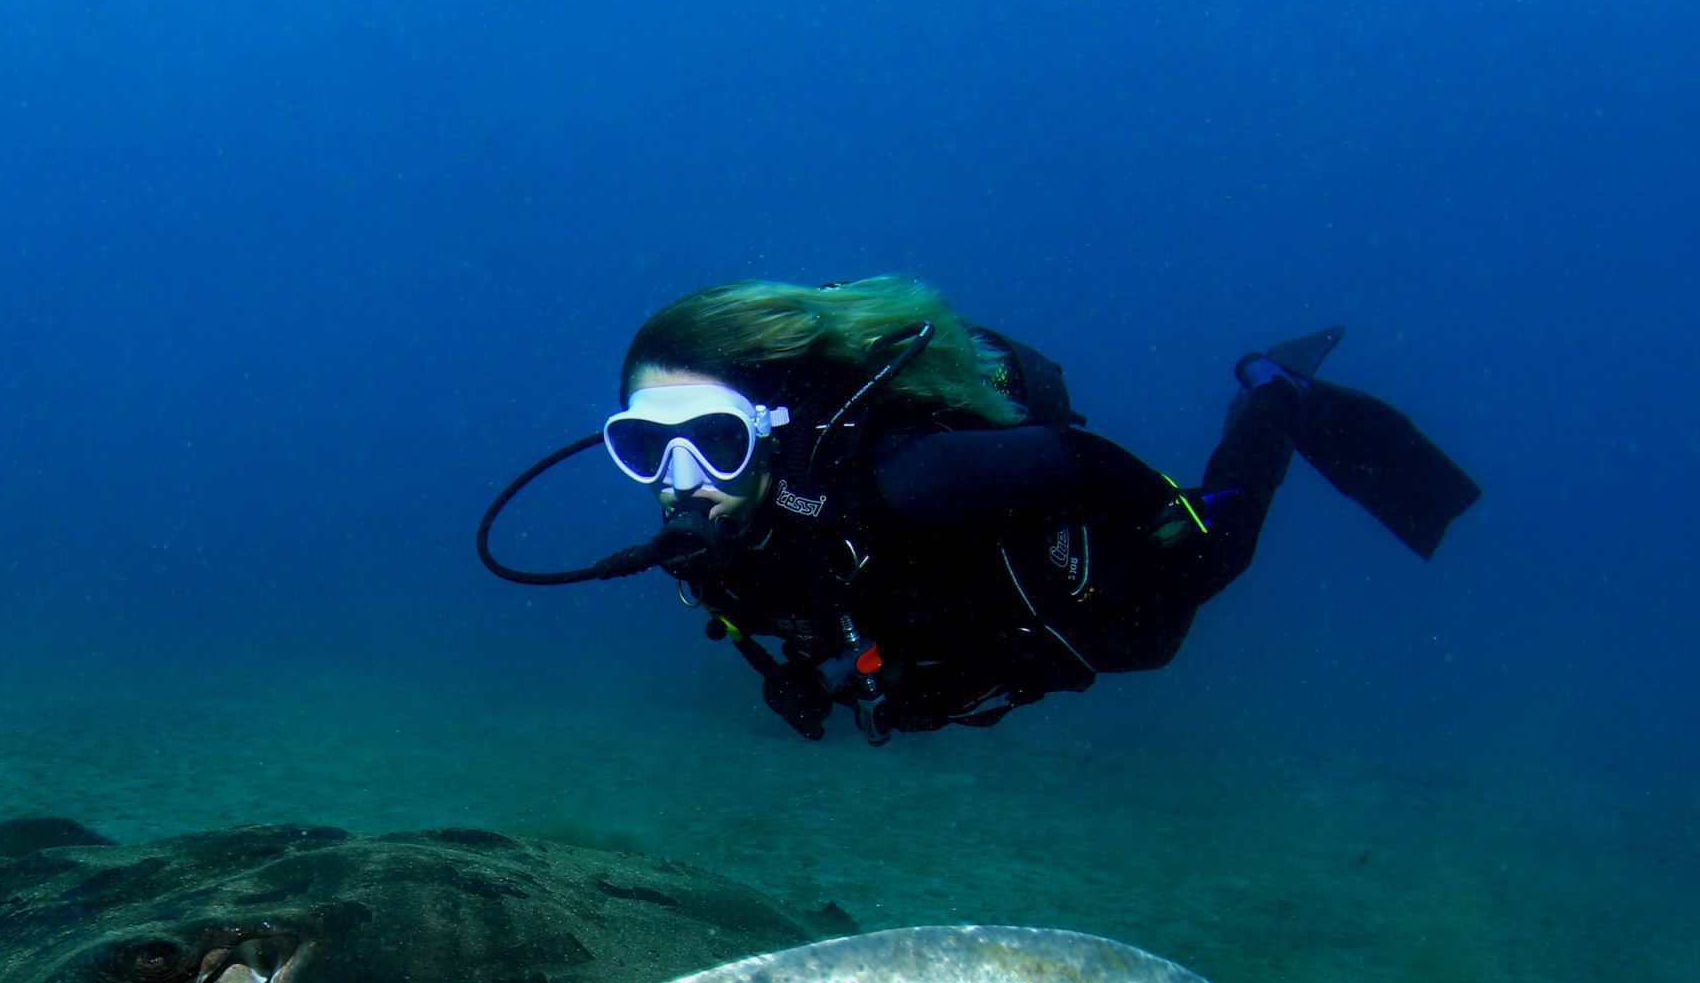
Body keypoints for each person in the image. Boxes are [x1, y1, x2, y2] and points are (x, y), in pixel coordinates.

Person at [476, 277, 1480, 742]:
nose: (680, 475)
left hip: (1115, 601)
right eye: (645, 446)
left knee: (1224, 548)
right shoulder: (715, 535)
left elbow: (1071, 455)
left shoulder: (911, 476)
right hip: (996, 645)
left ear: (775, 430)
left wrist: (1170, 516)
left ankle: (1270, 394)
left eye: (715, 438)